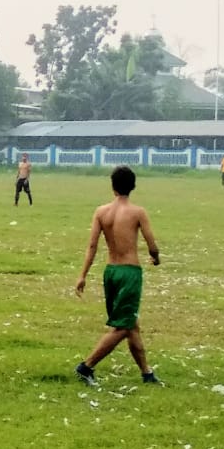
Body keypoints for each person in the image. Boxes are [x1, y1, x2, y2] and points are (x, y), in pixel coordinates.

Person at [74, 165, 163, 387]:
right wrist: (156, 257)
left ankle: (147, 373)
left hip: (110, 272)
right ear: (132, 186)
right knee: (123, 327)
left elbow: (92, 246)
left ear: (112, 186)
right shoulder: (137, 212)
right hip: (129, 272)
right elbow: (152, 244)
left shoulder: (101, 212)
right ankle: (87, 366)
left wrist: (82, 275)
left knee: (131, 324)